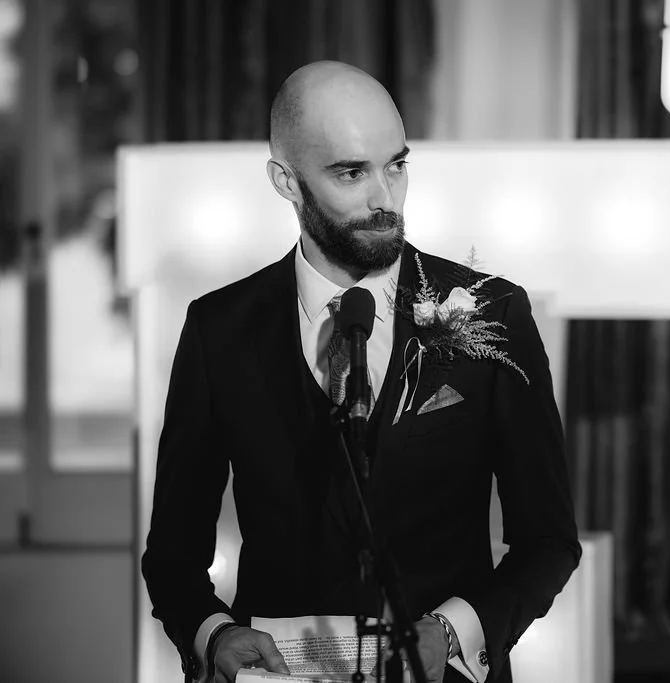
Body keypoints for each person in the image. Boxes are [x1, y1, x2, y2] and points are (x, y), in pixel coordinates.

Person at [140, 61, 581, 683]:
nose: (384, 198)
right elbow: (172, 553)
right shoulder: (219, 330)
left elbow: (548, 539)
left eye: (396, 166)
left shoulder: (494, 312)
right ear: (286, 181)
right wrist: (214, 635)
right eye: (351, 173)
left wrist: (453, 632)